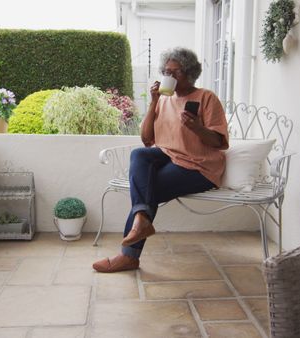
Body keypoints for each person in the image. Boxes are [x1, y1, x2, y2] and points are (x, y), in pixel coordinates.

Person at [92, 47, 229, 273]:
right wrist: (154, 101)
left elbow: (218, 141)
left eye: (175, 72)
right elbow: (146, 139)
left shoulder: (206, 98)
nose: (169, 77)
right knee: (139, 154)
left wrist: (197, 127)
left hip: (199, 166)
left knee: (148, 190)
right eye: (166, 71)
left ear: (190, 73)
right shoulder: (164, 99)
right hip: (168, 155)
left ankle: (129, 255)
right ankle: (141, 224)